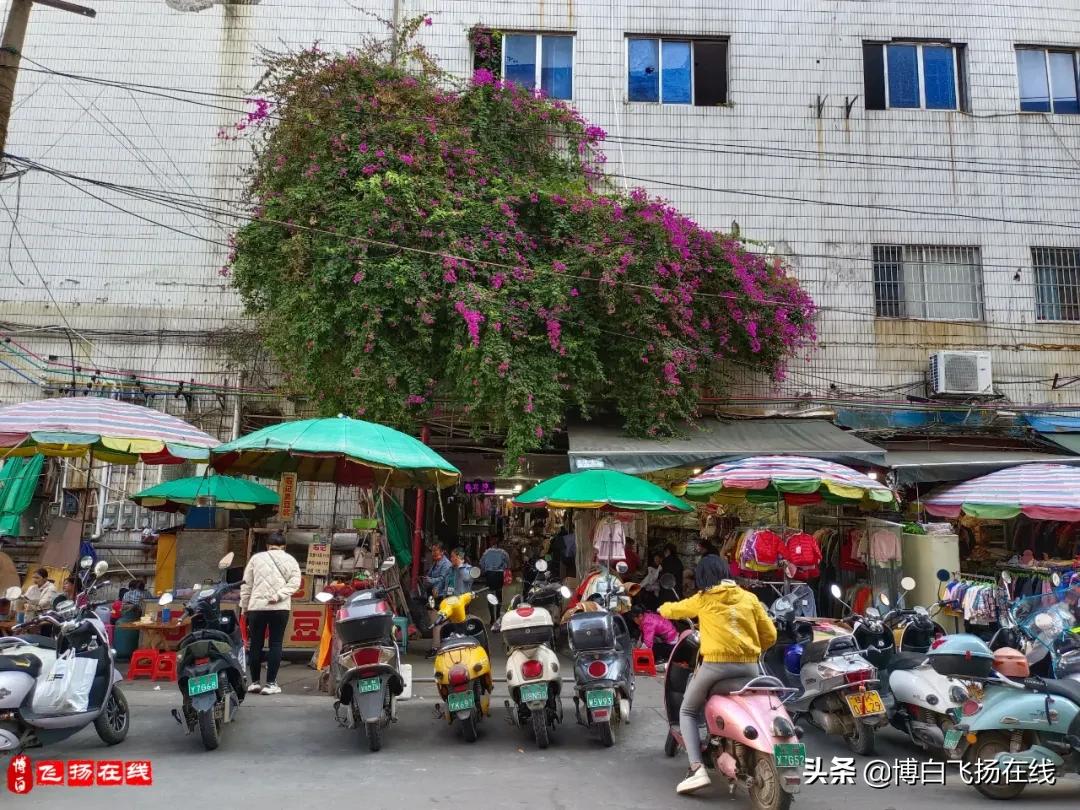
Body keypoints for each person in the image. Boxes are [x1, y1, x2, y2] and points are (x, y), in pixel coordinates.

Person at [659, 579, 778, 795]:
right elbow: (770, 635)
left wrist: (662, 608)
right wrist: (751, 650)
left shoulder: (705, 598)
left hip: (716, 666)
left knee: (687, 710)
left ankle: (697, 769)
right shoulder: (750, 598)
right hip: (750, 668)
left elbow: (675, 609)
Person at [240, 532, 301, 696]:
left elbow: (246, 585)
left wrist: (245, 607)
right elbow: (295, 583)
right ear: (284, 547)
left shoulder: (256, 559)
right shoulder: (290, 560)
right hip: (280, 607)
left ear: (267, 546)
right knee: (275, 643)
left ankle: (254, 683)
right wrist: (279, 595)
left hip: (257, 607)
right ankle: (271, 684)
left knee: (255, 644)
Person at [478, 536, 510, 623]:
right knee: (499, 595)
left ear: (491, 544)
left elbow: (481, 563)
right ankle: (498, 615)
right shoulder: (503, 552)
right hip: (499, 575)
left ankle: (492, 618)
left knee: (490, 596)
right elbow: (508, 564)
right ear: (499, 544)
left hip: (490, 575)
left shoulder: (486, 552)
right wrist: (503, 567)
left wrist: (485, 569)